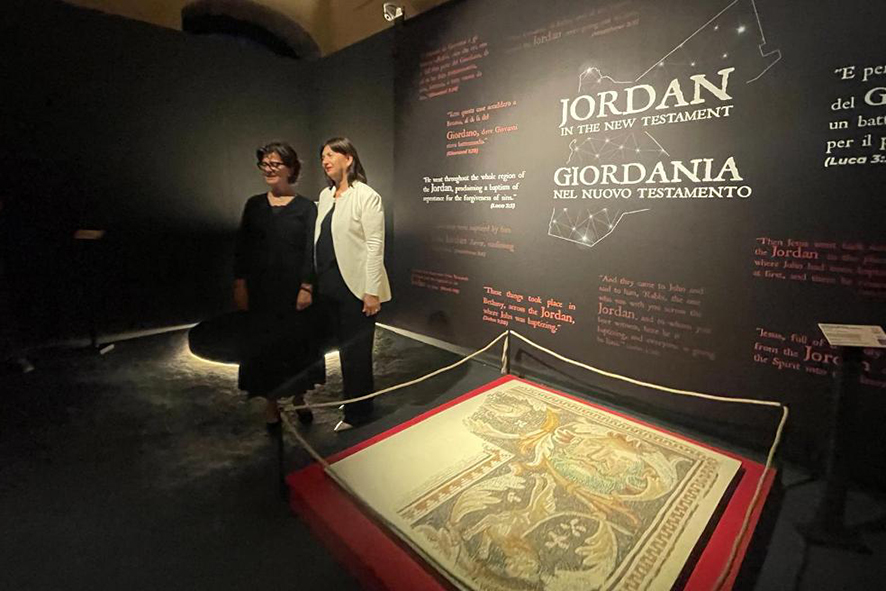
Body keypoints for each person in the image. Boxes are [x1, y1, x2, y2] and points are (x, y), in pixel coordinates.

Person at [234, 142, 321, 430]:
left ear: (291, 168)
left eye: (275, 164)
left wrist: (307, 286)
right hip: (262, 291)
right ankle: (271, 404)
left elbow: (310, 250)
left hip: (293, 291)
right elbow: (242, 247)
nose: (269, 169)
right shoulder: (254, 205)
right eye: (265, 164)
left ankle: (299, 397)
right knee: (266, 348)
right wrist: (240, 283)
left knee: (296, 347)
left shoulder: (306, 208)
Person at [315, 138, 391, 431]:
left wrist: (371, 291)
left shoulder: (367, 196)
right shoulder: (326, 196)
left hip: (356, 289)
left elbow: (374, 245)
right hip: (329, 286)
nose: (325, 160)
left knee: (357, 353)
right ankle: (353, 399)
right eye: (322, 156)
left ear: (348, 158)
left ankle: (358, 412)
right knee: (342, 350)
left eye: (330, 154)